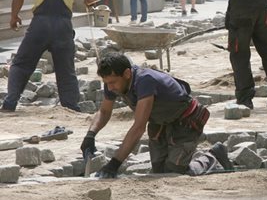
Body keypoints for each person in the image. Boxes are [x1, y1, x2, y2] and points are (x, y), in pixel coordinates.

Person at [80, 53, 232, 178]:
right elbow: (105, 112)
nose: (109, 87)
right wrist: (90, 135)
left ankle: (212, 156)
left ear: (126, 73)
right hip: (159, 122)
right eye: (106, 83)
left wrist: (114, 164)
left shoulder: (145, 81)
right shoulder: (113, 83)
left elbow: (138, 127)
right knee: (159, 173)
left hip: (185, 120)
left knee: (174, 174)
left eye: (112, 82)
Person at [0, 0, 98, 112]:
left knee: (21, 64)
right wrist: (88, 2)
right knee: (66, 69)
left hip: (40, 26)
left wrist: (14, 17)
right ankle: (70, 106)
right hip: (63, 26)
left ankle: (10, 102)